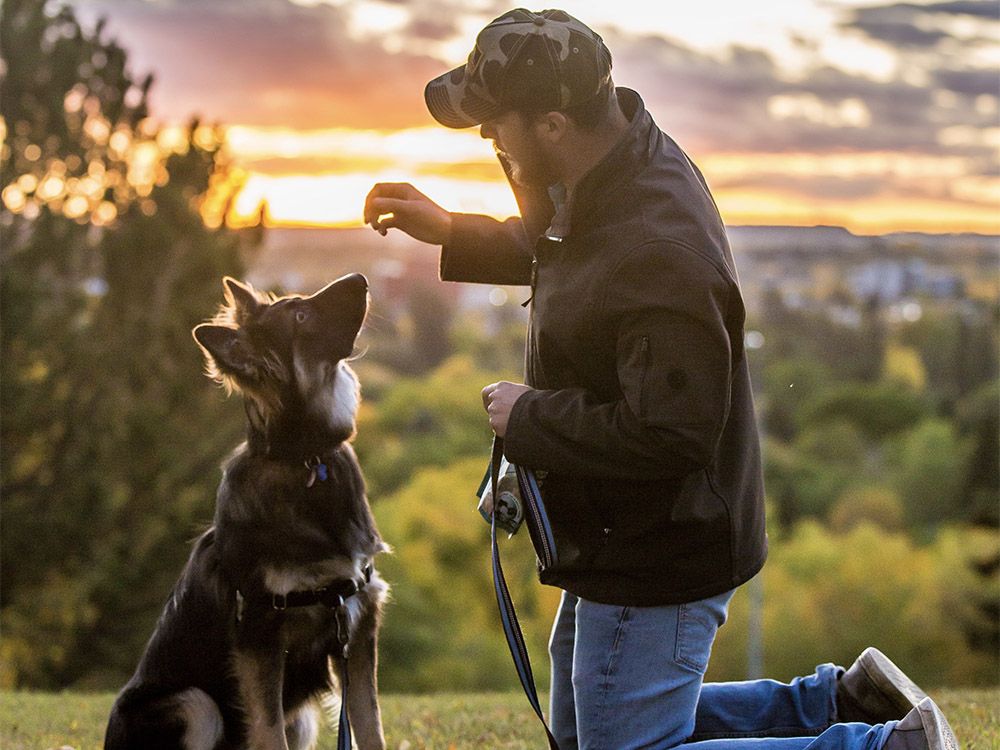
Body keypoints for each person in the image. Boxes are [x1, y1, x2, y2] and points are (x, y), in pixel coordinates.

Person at [363, 8, 959, 750]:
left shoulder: (659, 248)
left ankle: (883, 748)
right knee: (590, 728)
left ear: (551, 124)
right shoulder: (606, 168)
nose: (487, 138)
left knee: (625, 745)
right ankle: (839, 704)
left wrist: (530, 420)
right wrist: (454, 229)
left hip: (663, 541)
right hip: (618, 527)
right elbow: (572, 254)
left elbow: (671, 432)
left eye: (495, 124)